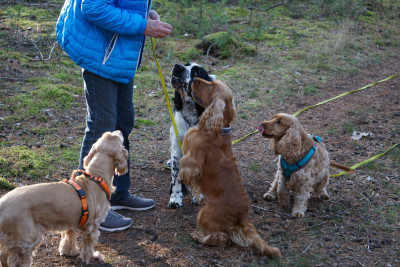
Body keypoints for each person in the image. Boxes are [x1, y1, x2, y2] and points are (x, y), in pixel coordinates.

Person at [56, 0, 172, 232]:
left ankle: (117, 193)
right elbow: (93, 8)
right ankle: (90, 206)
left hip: (118, 54)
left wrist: (145, 13)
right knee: (102, 126)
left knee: (122, 124)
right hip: (100, 54)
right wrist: (142, 25)